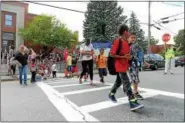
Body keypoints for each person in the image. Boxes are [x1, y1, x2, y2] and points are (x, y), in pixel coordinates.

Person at [108, 24, 143, 111]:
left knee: (119, 82)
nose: (129, 32)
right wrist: (123, 57)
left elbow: (125, 55)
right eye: (128, 31)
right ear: (125, 32)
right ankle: (132, 101)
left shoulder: (126, 43)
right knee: (126, 82)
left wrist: (129, 57)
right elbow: (112, 54)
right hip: (118, 65)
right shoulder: (117, 41)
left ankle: (111, 93)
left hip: (124, 65)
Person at [127, 32, 150, 100]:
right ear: (128, 38)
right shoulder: (126, 45)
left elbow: (140, 55)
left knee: (135, 78)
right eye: (132, 37)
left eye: (134, 37)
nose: (133, 39)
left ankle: (134, 91)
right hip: (129, 65)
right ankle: (135, 92)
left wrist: (145, 62)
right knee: (134, 78)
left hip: (135, 64)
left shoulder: (136, 45)